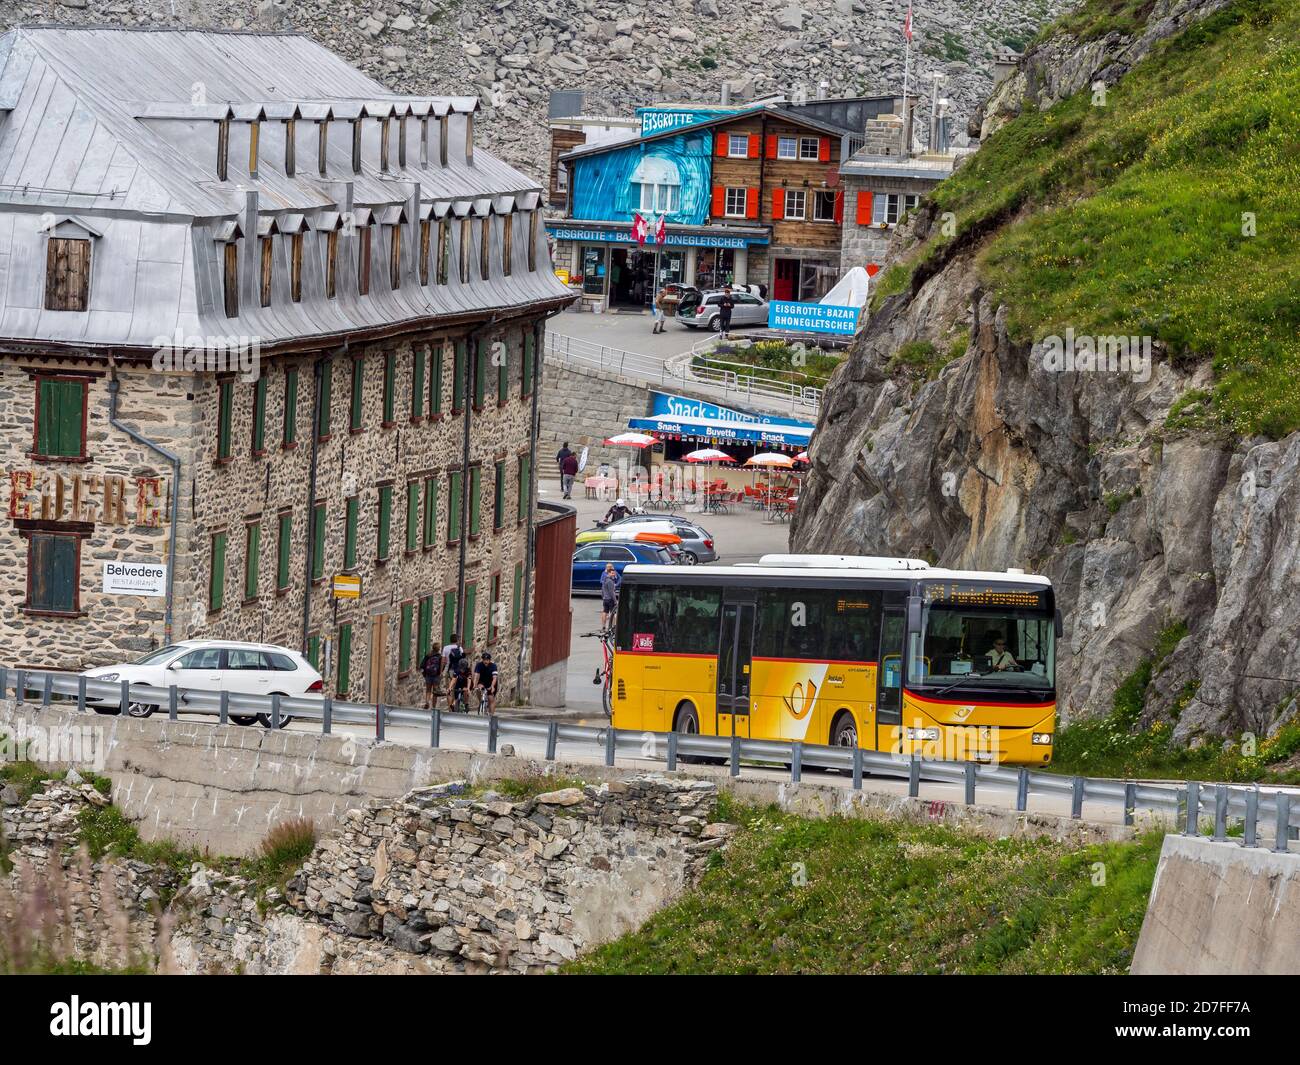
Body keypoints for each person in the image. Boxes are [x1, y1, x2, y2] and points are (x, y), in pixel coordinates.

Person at [473, 650, 500, 715]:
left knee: (491, 699)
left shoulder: (493, 666)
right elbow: (477, 676)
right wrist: (475, 685)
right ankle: (481, 703)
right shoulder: (479, 665)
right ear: (482, 660)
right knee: (479, 689)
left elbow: (494, 678)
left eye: (487, 660)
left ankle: (491, 715)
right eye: (484, 660)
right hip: (482, 681)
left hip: (491, 682)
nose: (486, 661)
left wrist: (492, 686)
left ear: (490, 660)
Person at [420, 642, 442, 710]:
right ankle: (434, 707)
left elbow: (422, 665)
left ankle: (427, 702)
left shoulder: (428, 655)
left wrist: (424, 673)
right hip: (436, 676)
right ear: (438, 649)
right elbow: (441, 667)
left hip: (428, 675)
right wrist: (440, 673)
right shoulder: (439, 656)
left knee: (428, 690)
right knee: (435, 692)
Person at [600, 562, 620, 630]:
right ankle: (613, 626)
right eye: (612, 573)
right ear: (609, 573)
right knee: (613, 613)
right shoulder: (610, 581)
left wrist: (603, 597)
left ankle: (603, 626)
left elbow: (602, 589)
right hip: (610, 599)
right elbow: (612, 593)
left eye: (613, 573)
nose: (613, 574)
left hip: (605, 599)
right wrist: (615, 601)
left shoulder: (604, 579)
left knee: (604, 612)